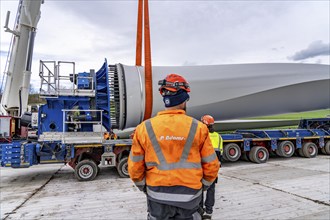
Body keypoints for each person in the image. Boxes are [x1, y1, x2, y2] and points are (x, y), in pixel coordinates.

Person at [128, 73, 220, 220]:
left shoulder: (144, 128)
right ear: (184, 100)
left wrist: (145, 188)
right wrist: (202, 187)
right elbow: (212, 166)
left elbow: (134, 168)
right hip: (190, 197)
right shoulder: (199, 128)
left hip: (156, 196)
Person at [200, 115, 223, 220]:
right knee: (211, 190)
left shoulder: (201, 135)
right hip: (213, 168)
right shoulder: (218, 136)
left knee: (199, 190)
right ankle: (209, 212)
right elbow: (220, 153)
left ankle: (199, 210)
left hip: (202, 168)